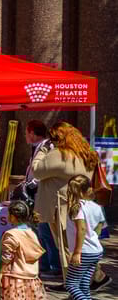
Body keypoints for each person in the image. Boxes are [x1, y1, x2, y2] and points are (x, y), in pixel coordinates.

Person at [32, 121, 110, 290]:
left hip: (61, 206)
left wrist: (42, 150)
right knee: (82, 243)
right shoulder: (86, 153)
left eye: (53, 138)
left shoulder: (59, 154)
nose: (52, 141)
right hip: (83, 203)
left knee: (66, 246)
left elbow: (36, 171)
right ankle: (97, 277)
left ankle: (73, 283)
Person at [0, 200, 46, 300]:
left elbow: (7, 255)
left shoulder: (11, 234)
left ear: (12, 216)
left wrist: (1, 271)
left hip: (15, 273)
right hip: (31, 274)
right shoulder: (32, 232)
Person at [63, 175, 106, 300]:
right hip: (95, 250)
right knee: (83, 285)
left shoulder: (77, 207)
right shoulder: (96, 206)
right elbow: (99, 227)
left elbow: (81, 229)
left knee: (71, 284)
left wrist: (77, 252)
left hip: (84, 252)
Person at [24, 120, 59, 276]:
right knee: (39, 230)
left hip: (44, 194)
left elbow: (45, 169)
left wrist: (33, 183)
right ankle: (44, 263)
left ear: (32, 132)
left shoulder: (47, 147)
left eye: (26, 132)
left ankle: (54, 264)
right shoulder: (38, 148)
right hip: (37, 195)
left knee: (45, 231)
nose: (26, 135)